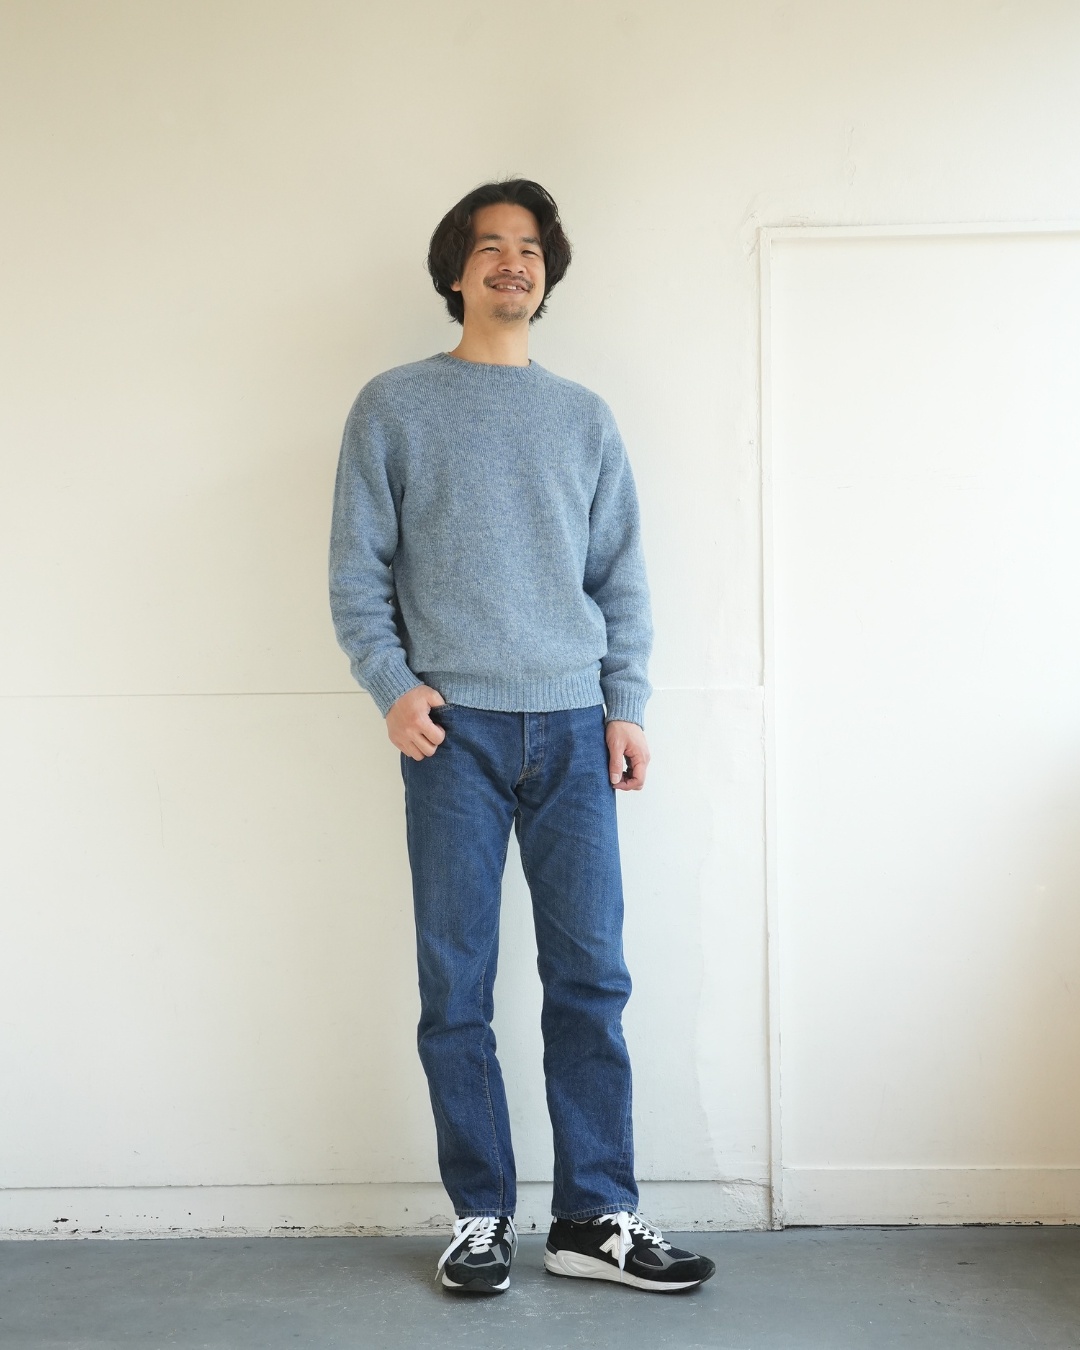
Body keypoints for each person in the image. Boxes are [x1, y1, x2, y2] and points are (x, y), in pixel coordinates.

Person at [329, 179, 715, 1296]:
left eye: (531, 248)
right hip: (452, 732)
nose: (514, 261)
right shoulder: (394, 406)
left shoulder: (583, 417)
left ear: (548, 273)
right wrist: (392, 686)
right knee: (456, 986)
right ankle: (480, 1216)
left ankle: (593, 1217)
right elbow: (356, 570)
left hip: (578, 728)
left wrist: (626, 703)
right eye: (491, 245)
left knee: (591, 977)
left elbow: (620, 576)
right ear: (455, 270)